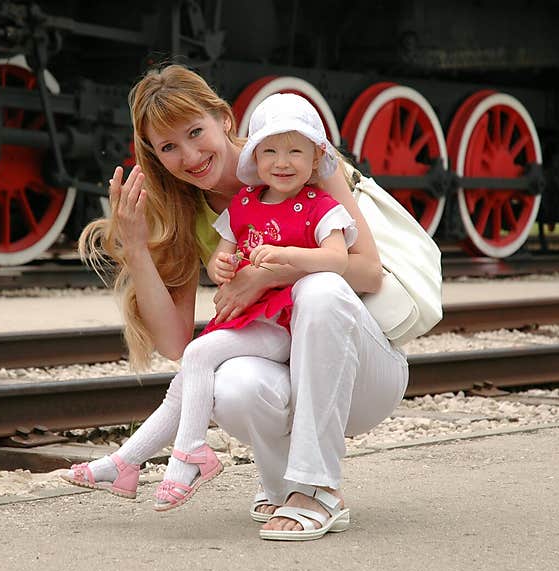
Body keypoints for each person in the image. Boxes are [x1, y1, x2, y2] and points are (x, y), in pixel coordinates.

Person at [68, 64, 408, 541]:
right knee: (228, 385)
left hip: (362, 372)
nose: (189, 156)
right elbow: (173, 343)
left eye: (194, 132)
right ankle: (279, 488)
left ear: (223, 118)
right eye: (169, 147)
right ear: (155, 157)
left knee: (320, 287)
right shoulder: (186, 211)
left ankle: (317, 487)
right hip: (288, 366)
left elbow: (368, 272)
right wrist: (138, 247)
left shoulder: (293, 156)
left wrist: (270, 272)